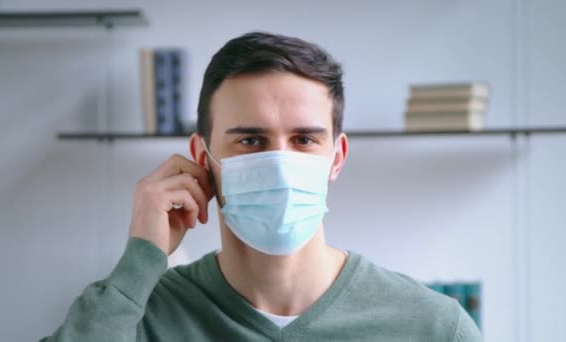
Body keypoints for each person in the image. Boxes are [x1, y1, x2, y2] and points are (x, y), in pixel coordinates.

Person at [41, 32, 482, 341]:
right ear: (201, 158)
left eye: (304, 139)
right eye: (250, 140)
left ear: (337, 158)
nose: (280, 163)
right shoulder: (137, 318)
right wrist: (141, 257)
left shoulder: (432, 327)